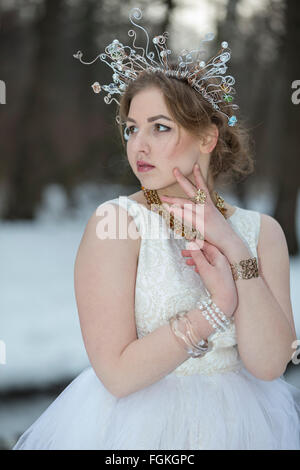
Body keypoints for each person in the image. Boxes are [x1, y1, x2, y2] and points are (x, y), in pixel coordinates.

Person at [13, 7, 300, 450]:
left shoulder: (263, 232)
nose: (138, 146)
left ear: (207, 138)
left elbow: (270, 365)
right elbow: (118, 374)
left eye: (160, 128)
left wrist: (235, 248)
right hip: (134, 432)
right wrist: (218, 307)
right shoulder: (116, 224)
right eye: (131, 129)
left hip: (244, 429)